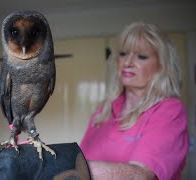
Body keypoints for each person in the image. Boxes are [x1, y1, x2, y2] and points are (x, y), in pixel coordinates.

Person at [80, 22, 189, 180]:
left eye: (141, 56)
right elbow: (81, 159)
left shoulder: (170, 111)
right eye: (123, 54)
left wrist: (64, 167)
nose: (128, 62)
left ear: (161, 66)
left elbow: (141, 175)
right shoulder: (103, 111)